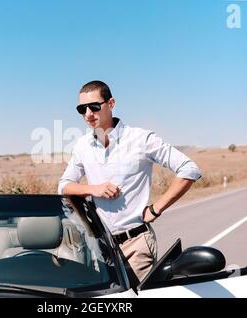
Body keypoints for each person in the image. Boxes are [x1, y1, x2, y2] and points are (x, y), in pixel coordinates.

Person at [58, 80, 202, 281]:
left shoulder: (141, 139)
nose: (88, 114)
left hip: (136, 245)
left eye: (94, 106)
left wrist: (156, 208)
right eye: (82, 109)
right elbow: (64, 186)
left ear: (111, 103)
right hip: (101, 247)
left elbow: (189, 169)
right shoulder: (83, 146)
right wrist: (93, 189)